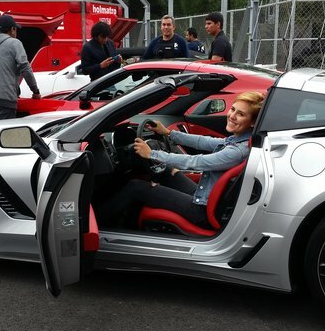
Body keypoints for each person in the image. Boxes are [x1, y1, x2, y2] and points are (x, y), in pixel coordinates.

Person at [98, 91, 265, 228]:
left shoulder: (236, 151)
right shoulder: (241, 141)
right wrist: (168, 133)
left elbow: (196, 162)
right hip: (207, 198)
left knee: (135, 187)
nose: (232, 116)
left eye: (241, 114)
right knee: (166, 171)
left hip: (203, 211)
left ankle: (96, 221)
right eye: (233, 109)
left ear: (252, 123)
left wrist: (152, 154)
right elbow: (204, 141)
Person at [0, 14, 41, 122]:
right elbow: (25, 68)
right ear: (12, 29)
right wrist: (35, 91)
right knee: (4, 131)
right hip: (4, 99)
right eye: (16, 29)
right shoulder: (14, 43)